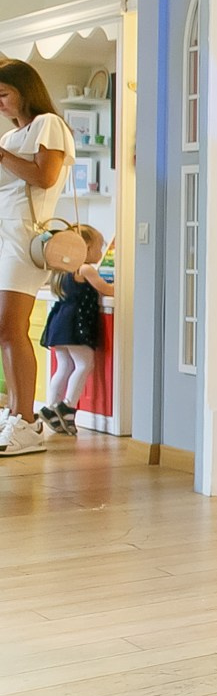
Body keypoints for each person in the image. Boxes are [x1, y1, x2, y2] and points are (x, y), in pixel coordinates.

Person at [0, 59, 74, 457]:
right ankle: (17, 414)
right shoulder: (14, 137)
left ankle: (27, 421)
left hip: (24, 239)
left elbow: (45, 177)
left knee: (11, 326)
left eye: (4, 94)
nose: (0, 103)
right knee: (5, 330)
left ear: (25, 90)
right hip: (5, 235)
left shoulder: (48, 124)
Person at [38, 225, 111, 436]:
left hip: (59, 323)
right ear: (85, 248)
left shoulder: (61, 271)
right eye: (99, 247)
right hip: (74, 325)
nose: (100, 253)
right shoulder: (86, 268)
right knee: (84, 363)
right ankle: (68, 406)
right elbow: (105, 289)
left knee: (63, 366)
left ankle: (50, 407)